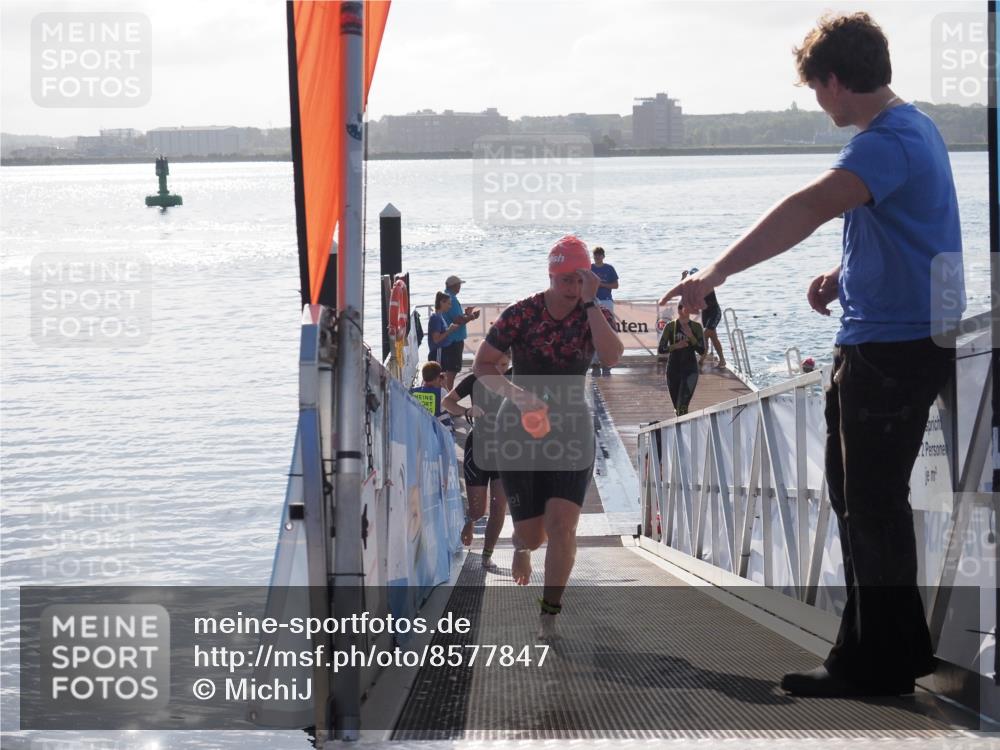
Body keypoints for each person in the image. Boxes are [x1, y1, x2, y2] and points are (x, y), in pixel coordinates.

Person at [659, 12, 964, 697]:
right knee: (863, 502)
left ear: (835, 80)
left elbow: (807, 206)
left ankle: (875, 664)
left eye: (817, 89)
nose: (818, 102)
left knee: (871, 504)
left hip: (889, 349)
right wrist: (843, 278)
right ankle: (881, 650)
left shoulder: (885, 142)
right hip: (897, 336)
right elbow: (902, 230)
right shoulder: (915, 130)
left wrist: (713, 276)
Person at [473, 235, 623, 639]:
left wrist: (593, 303)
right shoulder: (521, 314)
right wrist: (518, 395)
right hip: (521, 429)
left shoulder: (592, 314)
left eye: (579, 280)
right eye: (565, 281)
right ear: (551, 276)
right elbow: (483, 364)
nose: (572, 289)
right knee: (534, 535)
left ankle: (549, 615)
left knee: (563, 526)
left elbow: (611, 357)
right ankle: (520, 548)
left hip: (572, 427)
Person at [442, 352, 513, 567]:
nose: (500, 370)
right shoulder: (475, 380)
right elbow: (447, 401)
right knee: (478, 510)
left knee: (499, 505)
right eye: (496, 364)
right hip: (479, 447)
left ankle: (487, 554)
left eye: (504, 365)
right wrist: (466, 409)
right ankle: (470, 521)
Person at [656, 302, 705, 416]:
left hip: (690, 370)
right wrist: (676, 346)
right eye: (685, 308)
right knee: (677, 407)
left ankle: (683, 430)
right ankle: (681, 429)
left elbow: (702, 350)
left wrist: (691, 336)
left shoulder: (696, 327)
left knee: (682, 406)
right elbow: (661, 349)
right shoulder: (670, 326)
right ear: (679, 310)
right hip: (673, 370)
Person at [441, 275, 480, 390]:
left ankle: (445, 394)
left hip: (449, 339)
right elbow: (458, 320)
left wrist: (466, 314)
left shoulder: (445, 297)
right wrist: (472, 316)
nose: (460, 287)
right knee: (452, 371)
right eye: (459, 285)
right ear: (455, 286)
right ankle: (447, 396)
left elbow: (455, 318)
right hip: (454, 340)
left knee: (447, 370)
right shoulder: (451, 299)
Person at [682, 268, 726, 368]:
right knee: (713, 338)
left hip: (714, 313)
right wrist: (683, 278)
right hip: (706, 314)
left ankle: (701, 358)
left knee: (704, 335)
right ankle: (721, 361)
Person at [590, 246, 619, 376]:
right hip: (593, 300)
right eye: (596, 255)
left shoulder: (609, 268)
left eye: (600, 255)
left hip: (606, 300)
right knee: (594, 331)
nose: (598, 257)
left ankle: (607, 360)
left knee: (608, 330)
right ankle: (595, 361)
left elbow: (616, 285)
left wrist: (601, 285)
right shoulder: (589, 268)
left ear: (603, 256)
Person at [409, 361, 455, 433]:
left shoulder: (413, 391)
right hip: (440, 431)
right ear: (437, 378)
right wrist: (445, 385)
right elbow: (452, 406)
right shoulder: (441, 392)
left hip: (421, 429)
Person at [427, 291, 462, 365]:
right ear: (441, 302)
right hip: (437, 352)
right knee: (438, 375)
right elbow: (436, 339)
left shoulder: (440, 316)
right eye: (448, 303)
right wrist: (449, 330)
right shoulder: (436, 318)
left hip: (443, 352)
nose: (450, 306)